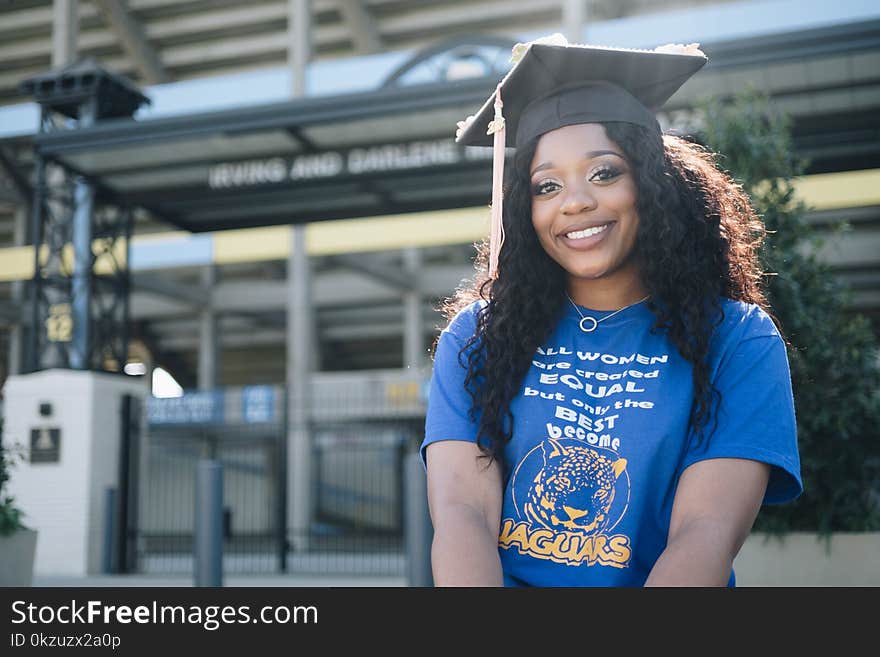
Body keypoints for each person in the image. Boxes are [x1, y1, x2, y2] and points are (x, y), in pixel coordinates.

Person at [420, 34, 802, 587]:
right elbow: (462, 514)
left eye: (604, 173)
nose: (574, 202)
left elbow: (705, 532)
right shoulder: (477, 337)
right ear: (526, 210)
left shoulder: (736, 339)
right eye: (546, 185)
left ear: (650, 184)